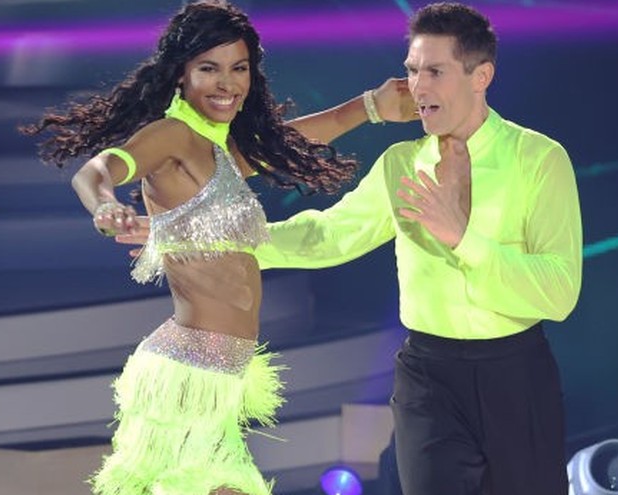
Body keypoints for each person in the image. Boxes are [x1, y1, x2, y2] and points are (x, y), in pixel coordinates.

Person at [21, 2, 414, 494]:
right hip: (188, 374)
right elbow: (96, 170)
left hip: (218, 376)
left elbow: (290, 139)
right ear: (181, 74)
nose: (227, 83)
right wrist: (104, 206)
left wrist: (370, 107)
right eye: (209, 68)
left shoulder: (215, 147)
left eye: (238, 68)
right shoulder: (172, 135)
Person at [253, 3, 583, 495]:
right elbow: (328, 235)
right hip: (429, 377)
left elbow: (559, 293)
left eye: (435, 71)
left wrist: (464, 239)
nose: (418, 87)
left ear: (481, 76)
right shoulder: (400, 163)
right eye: (411, 69)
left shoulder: (538, 159)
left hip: (516, 375)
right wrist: (209, 237)